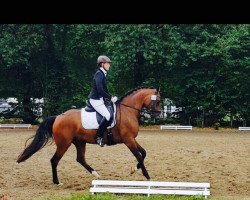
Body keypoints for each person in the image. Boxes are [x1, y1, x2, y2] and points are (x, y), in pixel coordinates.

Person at [88, 55, 117, 147]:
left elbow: (105, 89)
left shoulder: (103, 74)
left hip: (100, 99)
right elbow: (100, 90)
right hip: (95, 100)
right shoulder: (99, 74)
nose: (109, 65)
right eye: (108, 63)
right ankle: (98, 137)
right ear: (102, 64)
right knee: (107, 115)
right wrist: (110, 97)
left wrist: (111, 97)